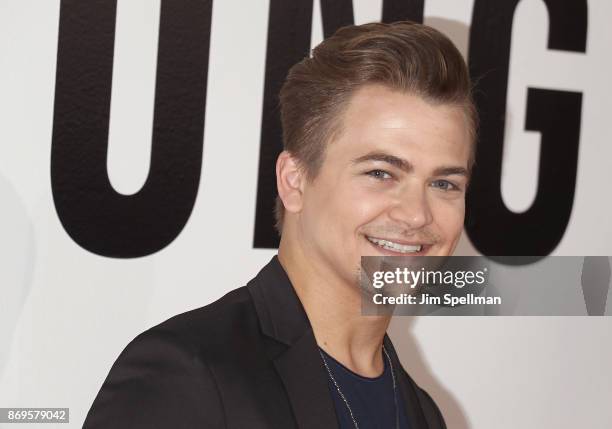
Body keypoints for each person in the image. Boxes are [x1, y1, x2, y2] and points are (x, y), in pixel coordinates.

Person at [84, 20, 476, 429]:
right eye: (380, 173)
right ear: (295, 180)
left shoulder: (425, 415)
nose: (416, 214)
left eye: (444, 183)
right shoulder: (186, 376)